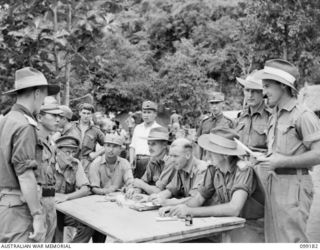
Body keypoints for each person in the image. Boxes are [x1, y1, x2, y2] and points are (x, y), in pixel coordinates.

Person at [159, 128, 264, 242]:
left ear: (224, 155)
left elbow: (234, 208)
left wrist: (190, 211)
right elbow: (198, 199)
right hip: (228, 224)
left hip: (250, 227)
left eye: (211, 151)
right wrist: (177, 208)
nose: (207, 156)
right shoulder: (213, 168)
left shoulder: (243, 170)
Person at [257, 59, 320, 242]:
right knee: (274, 241)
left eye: (267, 86)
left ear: (283, 86)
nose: (264, 92)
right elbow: (277, 153)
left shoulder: (302, 115)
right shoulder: (274, 116)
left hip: (295, 184)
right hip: (274, 184)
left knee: (293, 241)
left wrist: (281, 161)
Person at [0, 67, 60, 243]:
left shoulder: (6, 120)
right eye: (44, 96)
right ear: (37, 93)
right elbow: (25, 175)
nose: (43, 102)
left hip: (5, 206)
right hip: (20, 207)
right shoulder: (25, 126)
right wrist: (38, 215)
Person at [54, 136, 91, 243]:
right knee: (56, 235)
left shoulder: (75, 163)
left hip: (67, 209)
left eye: (73, 152)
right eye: (67, 152)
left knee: (88, 223)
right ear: (58, 151)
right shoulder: (49, 164)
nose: (71, 156)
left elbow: (86, 189)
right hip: (51, 210)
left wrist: (66, 197)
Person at [150, 138, 207, 206]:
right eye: (170, 156)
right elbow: (171, 190)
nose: (172, 160)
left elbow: (196, 199)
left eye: (175, 156)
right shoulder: (180, 167)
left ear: (188, 155)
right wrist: (157, 197)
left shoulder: (202, 169)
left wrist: (169, 202)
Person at [36, 103, 64, 242]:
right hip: (37, 200)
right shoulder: (33, 140)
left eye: (59, 116)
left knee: (48, 240)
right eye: (53, 115)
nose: (58, 119)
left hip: (50, 199)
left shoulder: (51, 142)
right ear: (40, 117)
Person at [127, 127, 176, 196]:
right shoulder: (153, 159)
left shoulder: (171, 161)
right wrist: (136, 190)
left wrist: (141, 185)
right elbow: (144, 180)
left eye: (153, 144)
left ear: (164, 145)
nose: (149, 147)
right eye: (148, 144)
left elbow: (159, 192)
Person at [235, 70, 270, 152]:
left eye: (254, 91)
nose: (250, 95)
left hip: (260, 163)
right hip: (240, 163)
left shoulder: (271, 116)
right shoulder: (241, 116)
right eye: (247, 90)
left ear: (263, 93)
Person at [195, 92, 233, 160]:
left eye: (217, 103)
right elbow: (199, 144)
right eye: (212, 103)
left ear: (223, 104)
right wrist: (199, 161)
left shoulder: (229, 123)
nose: (214, 106)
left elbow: (233, 146)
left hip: (222, 160)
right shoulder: (204, 122)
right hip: (206, 160)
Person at [129, 100, 161, 178]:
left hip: (151, 162)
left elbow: (160, 151)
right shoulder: (138, 128)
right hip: (137, 162)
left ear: (155, 114)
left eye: (149, 112)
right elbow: (132, 146)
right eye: (144, 112)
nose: (146, 115)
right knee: (136, 185)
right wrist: (131, 160)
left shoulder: (158, 129)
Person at [72, 103, 105, 177]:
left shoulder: (95, 130)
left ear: (91, 115)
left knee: (85, 185)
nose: (86, 116)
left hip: (87, 163)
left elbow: (108, 144)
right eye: (84, 113)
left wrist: (96, 154)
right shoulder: (71, 126)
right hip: (72, 161)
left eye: (88, 113)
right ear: (80, 113)